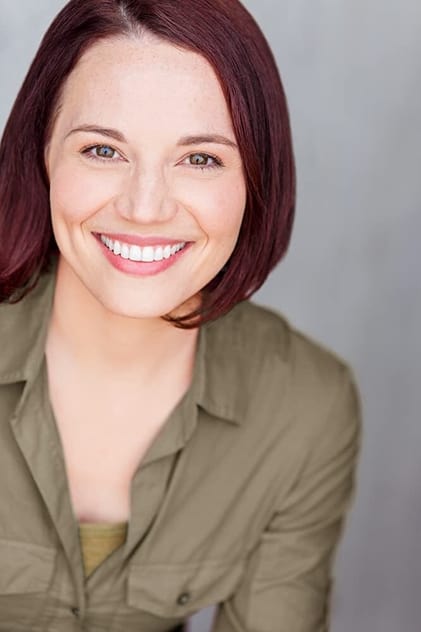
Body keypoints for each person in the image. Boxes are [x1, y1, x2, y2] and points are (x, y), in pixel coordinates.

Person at [0, 1, 361, 630]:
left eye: (200, 159)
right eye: (103, 150)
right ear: (44, 153)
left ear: (255, 181)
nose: (145, 209)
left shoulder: (305, 406)